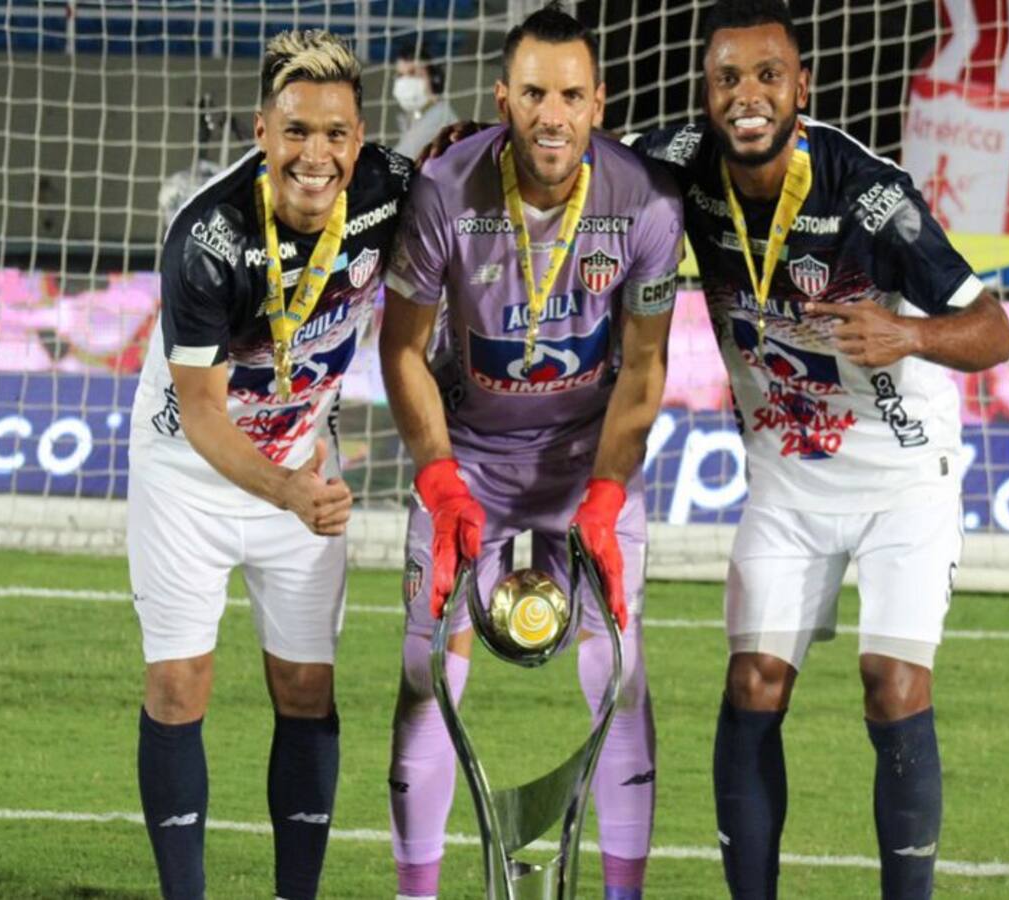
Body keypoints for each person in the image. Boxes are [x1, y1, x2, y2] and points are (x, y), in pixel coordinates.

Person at [629, 1, 1009, 897]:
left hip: (904, 478)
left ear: (802, 87)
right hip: (788, 484)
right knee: (755, 681)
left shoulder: (869, 193)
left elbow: (993, 330)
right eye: (728, 79)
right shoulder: (676, 164)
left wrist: (909, 338)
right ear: (707, 92)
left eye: (768, 77)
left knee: (892, 683)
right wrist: (478, 148)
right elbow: (570, 152)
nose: (747, 96)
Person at [379, 5, 683, 900]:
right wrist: (439, 483)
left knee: (622, 672)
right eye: (536, 94)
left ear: (599, 102)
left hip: (584, 465)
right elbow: (401, 349)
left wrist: (607, 494)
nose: (553, 115)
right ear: (504, 97)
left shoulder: (646, 203)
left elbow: (646, 361)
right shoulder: (444, 190)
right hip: (467, 458)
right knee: (425, 671)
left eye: (572, 95)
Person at [127, 28, 411, 900]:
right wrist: (290, 489)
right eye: (296, 131)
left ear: (358, 139)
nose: (315, 155)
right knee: (179, 684)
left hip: (300, 466)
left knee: (304, 686)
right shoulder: (208, 238)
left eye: (334, 134)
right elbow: (207, 414)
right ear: (262, 132)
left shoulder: (392, 191)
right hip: (188, 472)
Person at [391, 44, 459, 160]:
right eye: (400, 75)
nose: (405, 81)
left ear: (434, 79)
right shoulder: (418, 117)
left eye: (412, 73)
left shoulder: (439, 119)